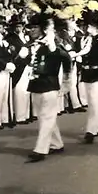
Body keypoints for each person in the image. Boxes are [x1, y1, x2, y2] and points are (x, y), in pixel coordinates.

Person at [26, 14, 71, 163]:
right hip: (36, 85)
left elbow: (66, 58)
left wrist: (66, 81)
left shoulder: (52, 45)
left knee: (47, 118)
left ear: (42, 29)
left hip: (49, 85)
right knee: (44, 118)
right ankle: (57, 144)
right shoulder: (34, 45)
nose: (31, 30)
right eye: (30, 28)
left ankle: (40, 149)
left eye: (34, 28)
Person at [71, 13, 98, 144]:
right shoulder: (83, 39)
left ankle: (90, 130)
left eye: (90, 26)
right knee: (93, 101)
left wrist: (77, 54)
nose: (87, 28)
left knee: (94, 102)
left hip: (97, 73)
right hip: (86, 74)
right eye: (86, 26)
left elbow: (93, 50)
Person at [6, 14, 32, 125]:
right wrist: (19, 56)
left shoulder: (26, 37)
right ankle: (19, 116)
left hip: (26, 66)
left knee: (26, 91)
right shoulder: (10, 38)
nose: (18, 28)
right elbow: (11, 53)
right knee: (19, 91)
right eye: (16, 26)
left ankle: (26, 115)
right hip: (18, 67)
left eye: (20, 26)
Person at [0, 15, 15, 131]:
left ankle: (4, 119)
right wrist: (5, 65)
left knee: (5, 96)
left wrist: (11, 62)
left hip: (6, 72)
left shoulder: (4, 40)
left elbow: (8, 55)